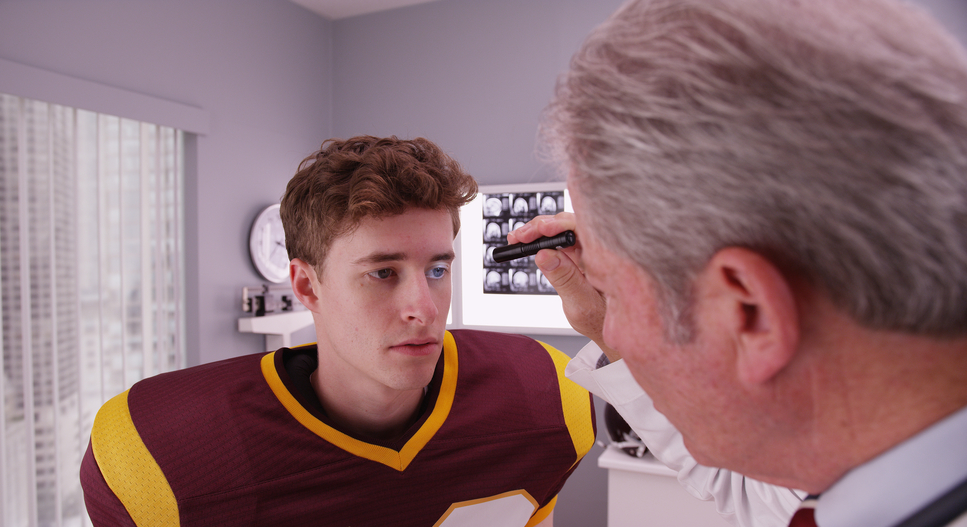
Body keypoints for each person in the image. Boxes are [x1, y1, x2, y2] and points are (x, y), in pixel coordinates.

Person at [511, 0, 967, 525]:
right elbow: (744, 481)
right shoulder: (846, 467)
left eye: (611, 291)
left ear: (749, 312)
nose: (611, 327)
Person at [80, 136, 596, 527]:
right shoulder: (160, 458)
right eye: (382, 273)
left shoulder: (545, 395)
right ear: (307, 286)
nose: (424, 309)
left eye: (437, 270)